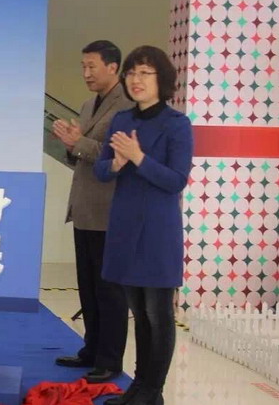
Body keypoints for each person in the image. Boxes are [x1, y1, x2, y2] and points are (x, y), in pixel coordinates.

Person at [94, 45, 193, 405]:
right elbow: (101, 169)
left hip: (157, 230)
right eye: (132, 73)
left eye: (145, 73)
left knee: (157, 313)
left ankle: (153, 390)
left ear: (162, 80)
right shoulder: (121, 120)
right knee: (138, 311)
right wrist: (116, 164)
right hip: (124, 225)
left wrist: (138, 158)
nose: (136, 80)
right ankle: (138, 386)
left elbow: (176, 180)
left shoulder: (177, 124)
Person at [52, 40, 133, 383]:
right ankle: (91, 348)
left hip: (110, 210)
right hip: (85, 206)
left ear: (113, 67)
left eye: (92, 67)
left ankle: (110, 359)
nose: (86, 73)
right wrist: (71, 146)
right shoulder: (88, 105)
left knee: (109, 290)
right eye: (83, 67)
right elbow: (82, 155)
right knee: (86, 286)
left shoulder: (127, 106)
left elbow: (116, 154)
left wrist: (78, 143)